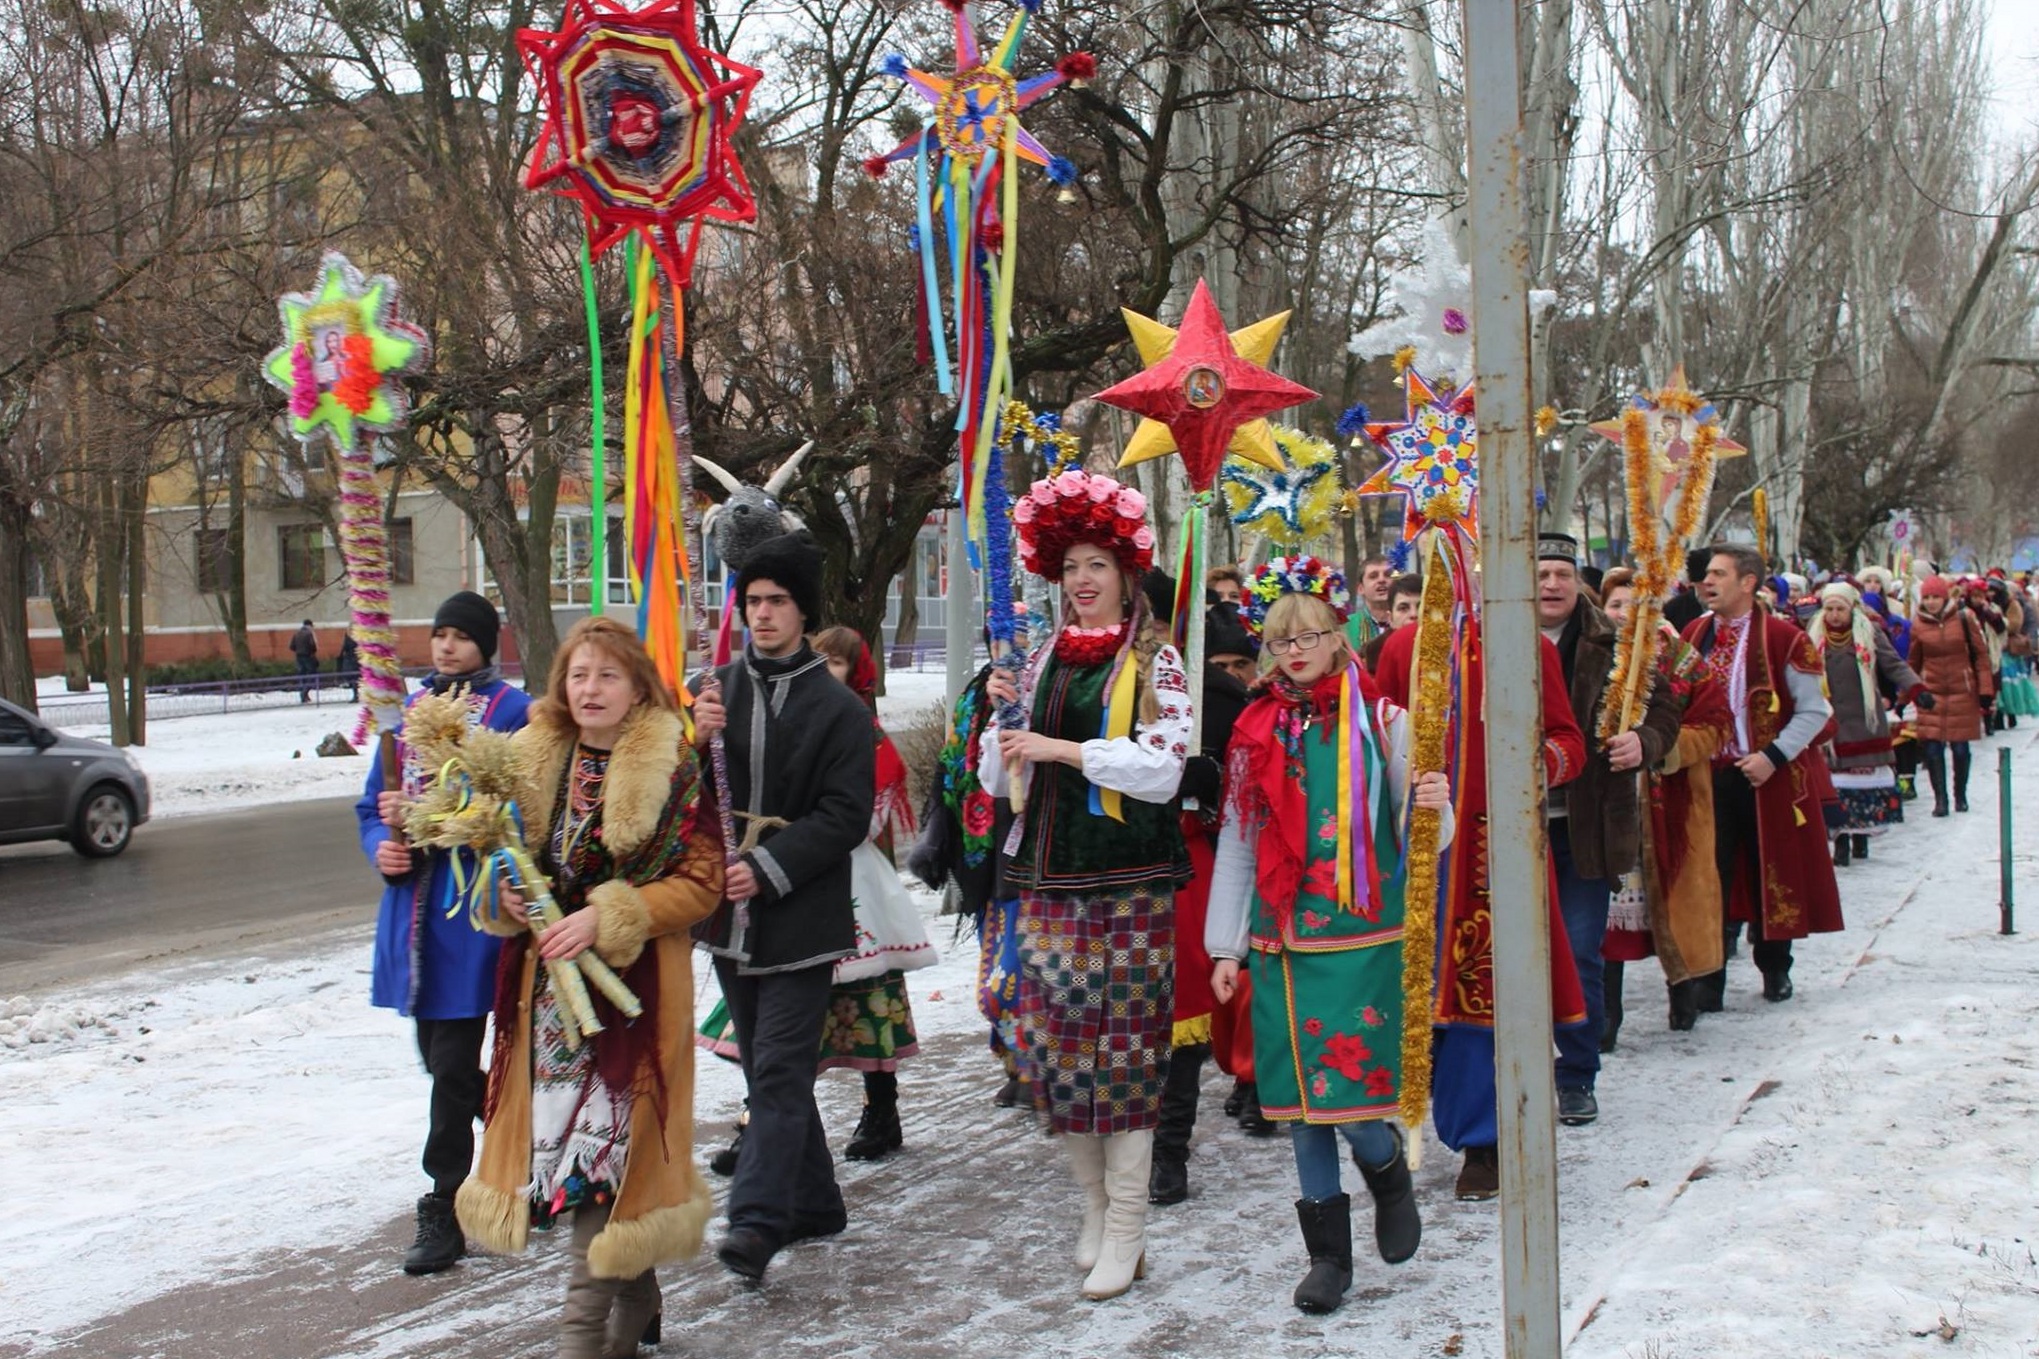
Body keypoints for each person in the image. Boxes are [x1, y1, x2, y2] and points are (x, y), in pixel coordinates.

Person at [455, 617, 724, 1359]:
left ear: (638, 684)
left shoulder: (674, 767)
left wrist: (608, 915)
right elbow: (499, 873)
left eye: (607, 674)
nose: (590, 688)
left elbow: (700, 884)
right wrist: (506, 903)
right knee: (584, 1174)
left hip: (634, 999)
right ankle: (635, 1302)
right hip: (548, 1007)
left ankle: (579, 1341)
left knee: (601, 1165)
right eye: (578, 674)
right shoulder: (528, 764)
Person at [1204, 557, 1450, 1314]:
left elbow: (1422, 843)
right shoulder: (1254, 731)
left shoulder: (1387, 723)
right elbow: (1240, 842)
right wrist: (1224, 946)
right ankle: (1327, 1259)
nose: (1296, 649)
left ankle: (1385, 1171)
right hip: (1280, 940)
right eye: (1282, 641)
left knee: (1347, 1097)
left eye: (1310, 635)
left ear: (1339, 638)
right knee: (1296, 1104)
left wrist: (1432, 804)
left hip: (1361, 939)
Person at [981, 467, 1189, 1301]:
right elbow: (1001, 788)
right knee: (1059, 1054)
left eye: (1096, 564)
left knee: (1128, 1052)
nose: (1081, 580)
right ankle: (1097, 1212)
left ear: (1125, 573)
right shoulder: (1034, 661)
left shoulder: (1156, 658)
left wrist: (1058, 749)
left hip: (1129, 879)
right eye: (1069, 567)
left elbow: (1164, 771)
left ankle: (1132, 1224)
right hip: (1048, 881)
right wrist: (999, 728)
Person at [692, 533, 875, 1283]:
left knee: (777, 1069)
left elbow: (845, 813)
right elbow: (685, 796)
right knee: (766, 1068)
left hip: (801, 911)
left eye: (777, 601)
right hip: (728, 918)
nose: (762, 613)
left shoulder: (838, 706)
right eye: (753, 600)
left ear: (802, 611)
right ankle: (817, 1201)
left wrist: (766, 867)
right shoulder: (714, 690)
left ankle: (757, 1219)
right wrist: (687, 740)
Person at [1373, 602, 1588, 1201]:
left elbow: (1568, 742)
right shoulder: (1403, 647)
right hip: (1414, 849)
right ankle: (1403, 1114)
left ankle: (1484, 1141)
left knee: (1484, 990)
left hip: (1494, 853)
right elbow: (1373, 735)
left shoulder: (1528, 647)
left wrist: (1528, 766)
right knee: (1410, 989)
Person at [356, 590, 530, 1275]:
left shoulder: (510, 712)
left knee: (453, 1062)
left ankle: (446, 1200)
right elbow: (373, 802)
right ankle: (524, 1137)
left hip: (475, 909)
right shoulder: (405, 715)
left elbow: (521, 798)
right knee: (440, 1060)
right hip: (413, 914)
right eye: (440, 634)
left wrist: (455, 813)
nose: (447, 646)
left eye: (462, 635)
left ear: (487, 644)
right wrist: (383, 840)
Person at [1535, 535, 1681, 1125]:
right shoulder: (1488, 638)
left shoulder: (1619, 641)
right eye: (1541, 573)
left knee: (1577, 952)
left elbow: (1665, 712)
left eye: (1561, 574)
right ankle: (1502, 1068)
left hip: (1584, 828)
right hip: (1502, 830)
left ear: (1579, 583)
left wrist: (1640, 743)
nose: (1550, 585)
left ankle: (1575, 1075)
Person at [1684, 546, 1844, 1006]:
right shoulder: (1695, 634)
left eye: (1718, 574)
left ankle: (1775, 967)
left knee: (1770, 871)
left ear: (1748, 582)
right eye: (1706, 575)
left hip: (1763, 777)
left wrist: (1772, 755)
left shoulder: (1784, 638)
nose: (1707, 582)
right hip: (1705, 774)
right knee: (1708, 874)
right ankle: (1707, 978)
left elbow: (1816, 711)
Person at [808, 626, 937, 1159]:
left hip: (852, 879)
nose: (825, 671)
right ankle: (760, 1119)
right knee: (784, 1012)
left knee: (869, 1004)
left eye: (836, 663)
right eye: (818, 660)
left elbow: (864, 820)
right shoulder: (793, 721)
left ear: (857, 673)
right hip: (797, 879)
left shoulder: (868, 734)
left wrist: (804, 826)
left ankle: (881, 1111)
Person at [1150, 599, 1256, 1207]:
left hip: (1189, 859)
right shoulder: (1088, 678)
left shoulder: (1217, 694)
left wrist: (1206, 775)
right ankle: (1128, 1141)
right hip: (1110, 868)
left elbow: (1241, 785)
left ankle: (1170, 1150)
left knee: (1186, 1005)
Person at [1597, 569, 1728, 1035]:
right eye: (1616, 606)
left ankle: (1684, 991)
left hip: (1670, 802)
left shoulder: (1681, 660)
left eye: (1636, 607)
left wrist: (1665, 750)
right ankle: (1606, 1016)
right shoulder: (1587, 657)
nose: (1624, 616)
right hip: (1606, 807)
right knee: (1604, 917)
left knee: (1671, 905)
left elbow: (1715, 723)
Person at [1813, 582, 1927, 864]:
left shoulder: (1869, 632)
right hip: (1830, 724)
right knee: (1835, 786)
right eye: (1829, 609)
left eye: (1840, 608)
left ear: (1852, 609)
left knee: (1860, 785)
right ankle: (1840, 840)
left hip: (1864, 720)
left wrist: (1917, 690)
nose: (1834, 614)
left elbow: (1894, 665)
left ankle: (1861, 836)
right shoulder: (1813, 637)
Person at [1908, 576, 1992, 817]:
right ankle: (1940, 800)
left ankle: (1960, 795)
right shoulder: (1919, 624)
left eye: (1935, 597)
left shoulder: (1964, 618)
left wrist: (1985, 690)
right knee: (1932, 749)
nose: (1931, 602)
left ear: (1944, 597)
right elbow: (1913, 662)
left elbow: (1981, 656)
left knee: (1960, 749)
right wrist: (1906, 695)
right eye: (1927, 597)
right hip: (1931, 692)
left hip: (1961, 691)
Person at [291, 618, 320, 702]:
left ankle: (304, 695)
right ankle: (304, 693)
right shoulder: (309, 634)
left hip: (299, 657)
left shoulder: (296, 633)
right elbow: (313, 646)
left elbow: (291, 646)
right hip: (308, 657)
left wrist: (298, 651)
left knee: (302, 676)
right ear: (310, 625)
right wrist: (311, 652)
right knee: (311, 675)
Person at [337, 633, 361, 702]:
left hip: (350, 661)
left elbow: (344, 649)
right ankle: (356, 695)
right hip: (356, 660)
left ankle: (355, 695)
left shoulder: (348, 638)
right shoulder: (359, 637)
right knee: (355, 678)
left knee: (352, 678)